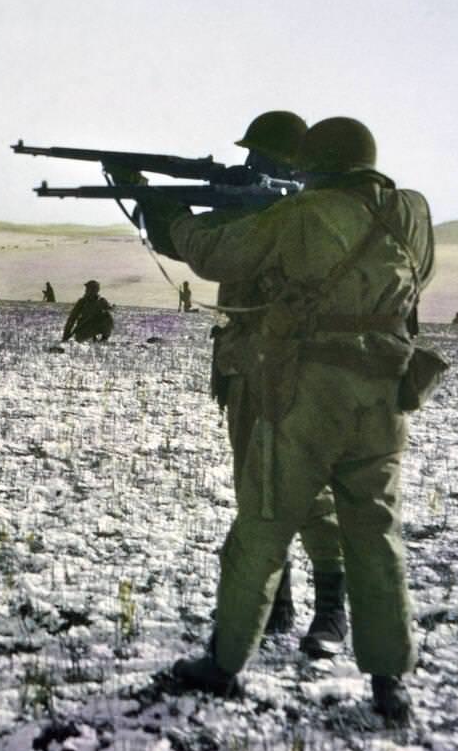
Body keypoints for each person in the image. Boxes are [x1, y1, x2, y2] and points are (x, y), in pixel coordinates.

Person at [156, 116, 436, 727]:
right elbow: (418, 279)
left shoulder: (302, 214)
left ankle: (224, 664)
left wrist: (171, 219)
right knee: (376, 533)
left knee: (261, 524)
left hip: (311, 391)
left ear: (315, 165)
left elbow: (214, 253)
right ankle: (390, 685)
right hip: (386, 392)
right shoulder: (412, 210)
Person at [142, 111, 348, 658]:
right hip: (244, 361)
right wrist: (146, 197)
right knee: (252, 487)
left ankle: (332, 608)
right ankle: (275, 602)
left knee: (310, 494)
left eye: (262, 157)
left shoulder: (313, 214)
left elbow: (215, 250)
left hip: (300, 364)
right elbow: (192, 245)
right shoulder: (261, 206)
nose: (251, 164)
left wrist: (190, 213)